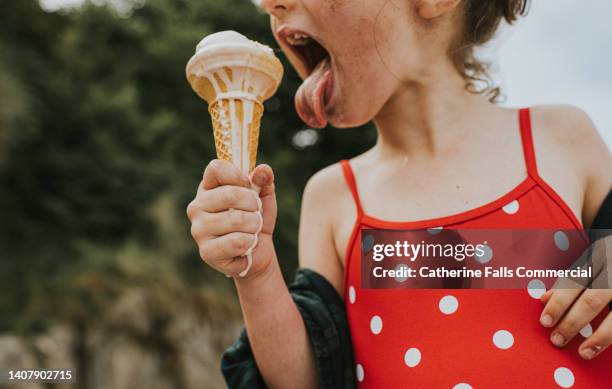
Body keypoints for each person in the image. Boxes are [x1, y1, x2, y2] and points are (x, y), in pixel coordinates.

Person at [186, 0, 612, 387]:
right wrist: (256, 269)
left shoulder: (561, 139)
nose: (269, 4)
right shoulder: (334, 195)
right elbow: (311, 378)